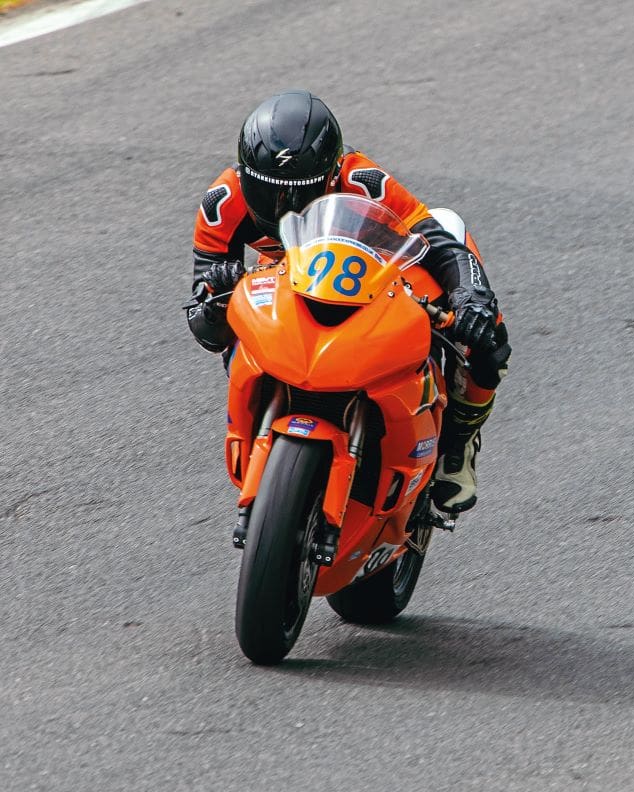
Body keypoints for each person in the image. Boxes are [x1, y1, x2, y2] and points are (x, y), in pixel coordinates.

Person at [186, 90, 511, 514]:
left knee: (488, 333)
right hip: (287, 289)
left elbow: (437, 240)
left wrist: (472, 297)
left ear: (331, 174)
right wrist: (216, 303)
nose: (284, 207)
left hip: (372, 279)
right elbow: (202, 324)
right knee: (236, 335)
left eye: (301, 195)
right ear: (244, 173)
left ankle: (457, 444)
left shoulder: (364, 180)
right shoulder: (221, 204)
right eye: (267, 193)